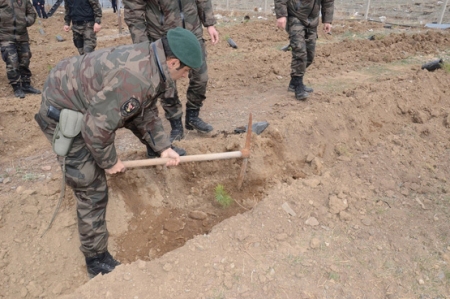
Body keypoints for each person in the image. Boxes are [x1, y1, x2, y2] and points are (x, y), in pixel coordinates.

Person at [34, 27, 202, 278]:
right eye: (185, 70)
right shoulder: (136, 77)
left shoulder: (152, 63)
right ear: (173, 61)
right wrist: (110, 161)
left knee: (105, 144)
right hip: (63, 105)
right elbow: (95, 127)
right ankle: (96, 258)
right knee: (91, 185)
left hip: (85, 98)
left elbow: (144, 111)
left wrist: (163, 147)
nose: (186, 76)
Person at [123, 0, 219, 153]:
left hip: (192, 31)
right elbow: (134, 10)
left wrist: (209, 23)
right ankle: (175, 122)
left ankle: (193, 116)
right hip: (162, 35)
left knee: (201, 77)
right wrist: (142, 45)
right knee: (167, 85)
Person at [274, 0, 334, 101]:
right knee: (300, 51)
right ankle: (298, 84)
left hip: (312, 20)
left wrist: (327, 20)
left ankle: (294, 83)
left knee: (310, 55)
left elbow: (328, 1)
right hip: (295, 15)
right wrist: (281, 15)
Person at [0, 0, 41, 98]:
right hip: (6, 36)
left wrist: (25, 21)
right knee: (12, 62)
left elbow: (32, 13)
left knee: (25, 60)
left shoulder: (25, 1)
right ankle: (16, 87)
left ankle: (26, 84)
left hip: (22, 36)